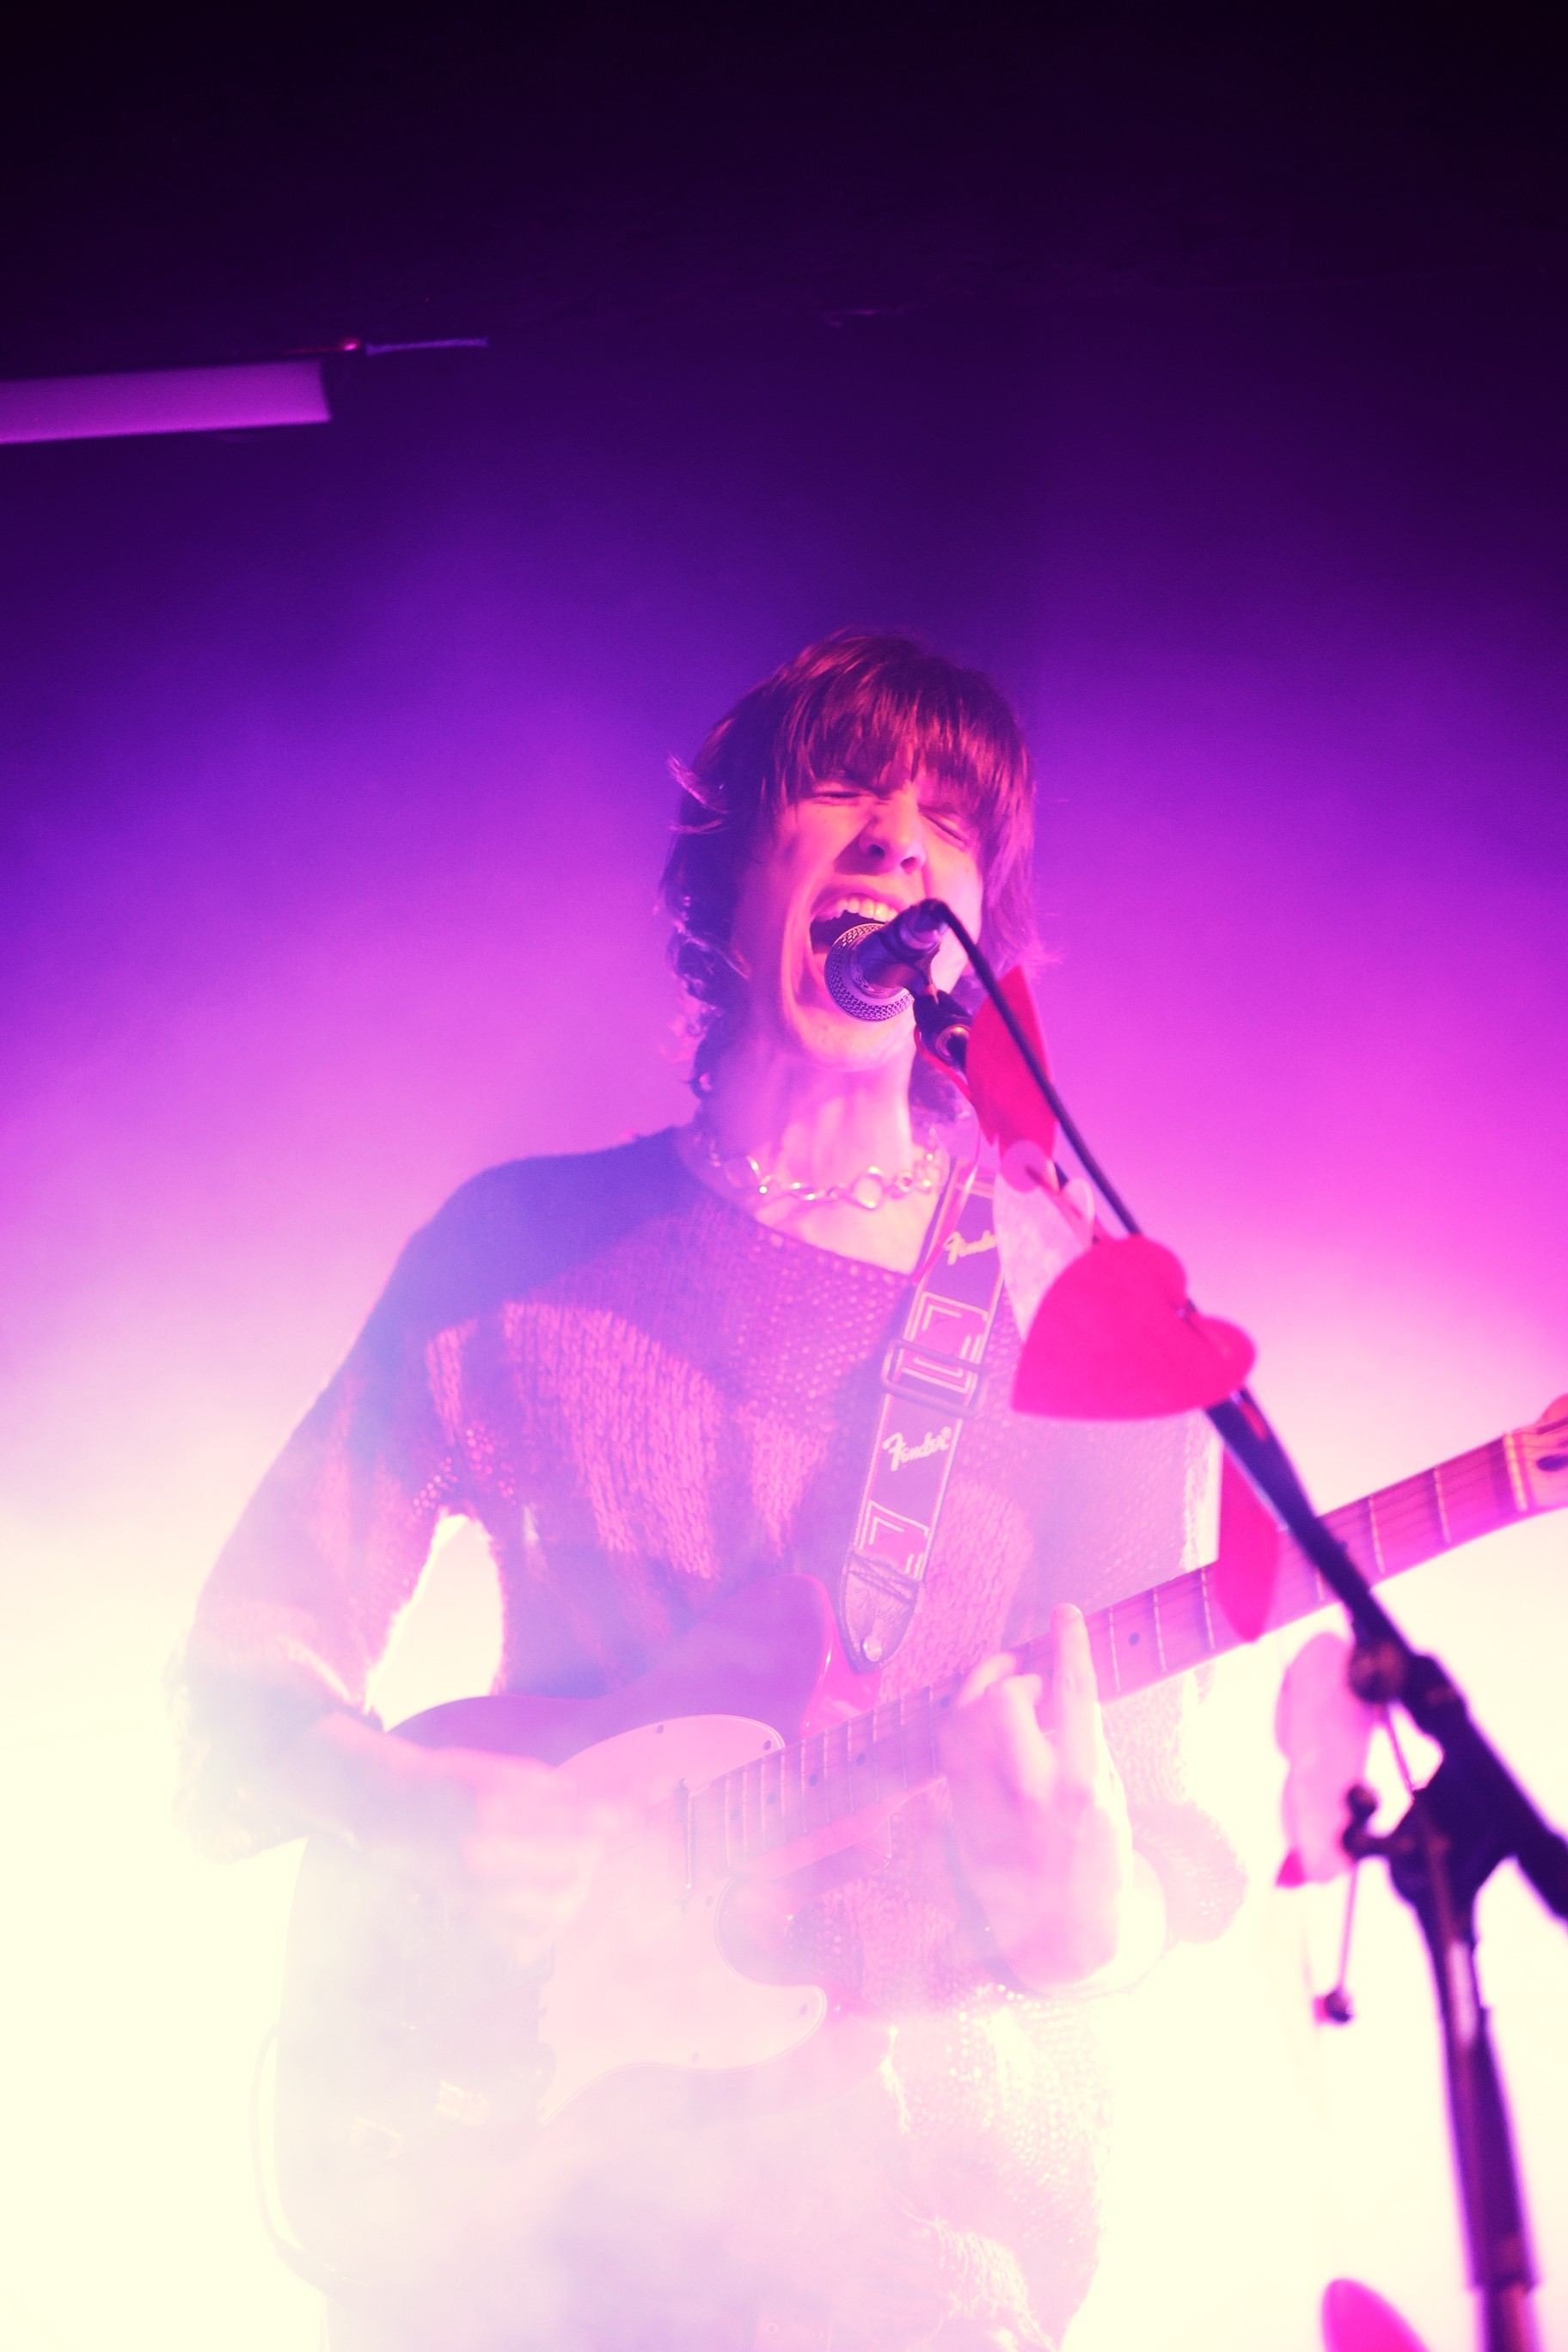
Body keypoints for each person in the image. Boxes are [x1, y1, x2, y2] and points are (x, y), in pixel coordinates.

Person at [175, 632, 1238, 2352]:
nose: (899, 838)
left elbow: (1166, 1833)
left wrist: (1093, 1916)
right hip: (520, 2176)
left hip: (911, 2215)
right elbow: (239, 1683)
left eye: (950, 820)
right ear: (731, 872)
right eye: (845, 784)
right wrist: (405, 1804)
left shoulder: (1073, 1307)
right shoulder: (515, 1252)